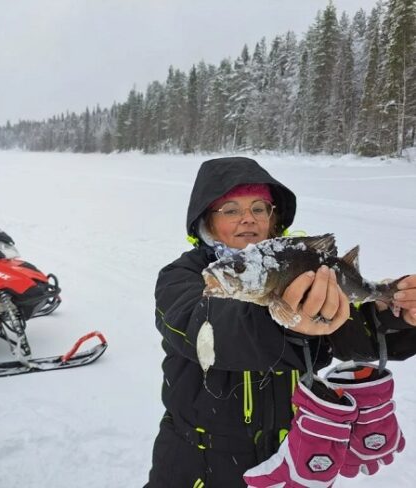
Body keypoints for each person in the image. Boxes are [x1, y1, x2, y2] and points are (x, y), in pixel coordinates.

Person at [146, 156, 416, 487]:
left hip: (293, 456)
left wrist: (398, 313)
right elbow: (203, 329)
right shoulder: (183, 277)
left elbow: (353, 333)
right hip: (197, 462)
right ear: (206, 221)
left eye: (259, 208)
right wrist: (281, 321)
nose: (247, 218)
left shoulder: (300, 268)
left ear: (274, 218)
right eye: (230, 210)